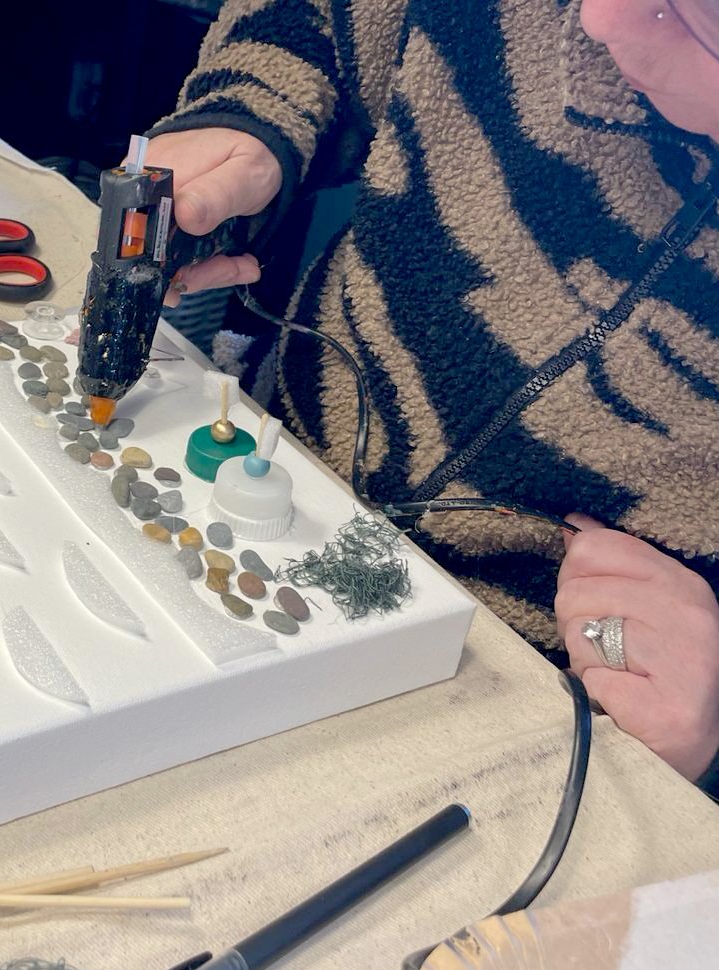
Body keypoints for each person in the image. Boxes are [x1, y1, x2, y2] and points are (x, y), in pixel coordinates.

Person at [145, 0, 719, 791]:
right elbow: (324, 26)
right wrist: (254, 121)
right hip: (263, 481)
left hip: (530, 723)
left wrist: (708, 743)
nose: (603, 19)